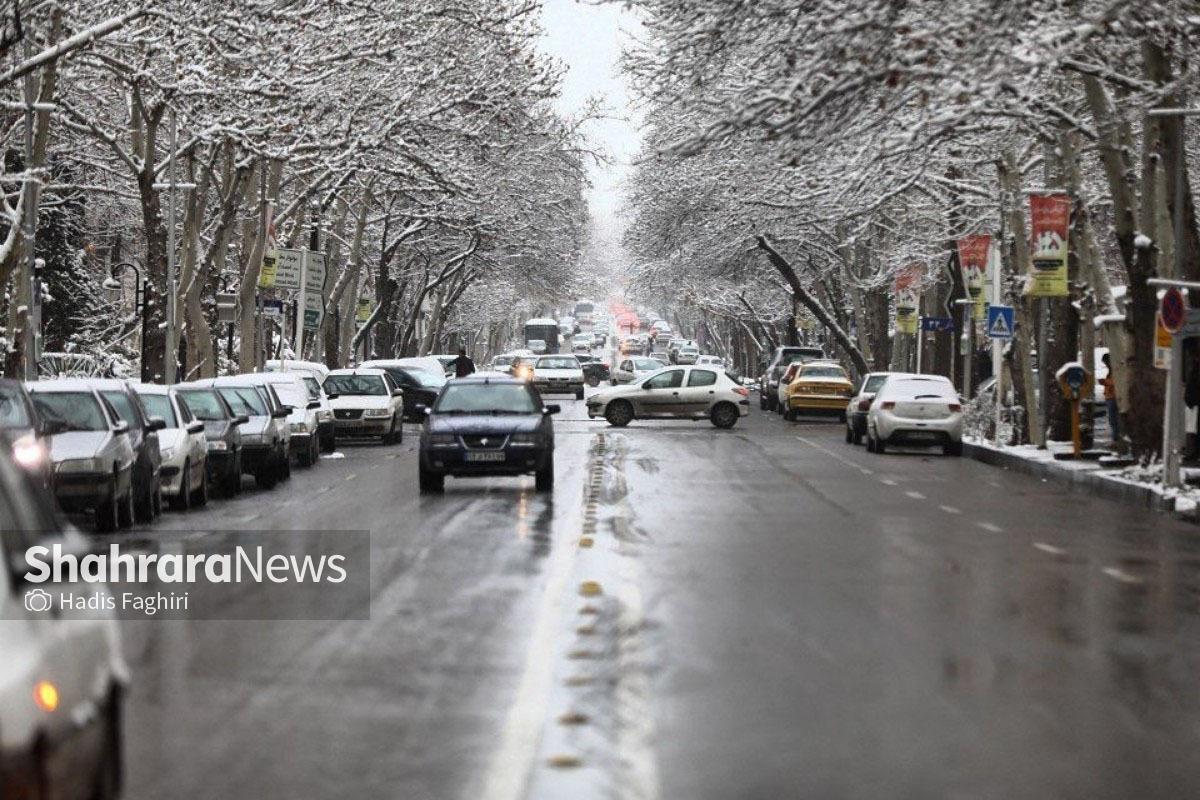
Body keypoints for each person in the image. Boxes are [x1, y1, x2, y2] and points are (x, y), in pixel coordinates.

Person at [1101, 352, 1119, 442]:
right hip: (1110, 396)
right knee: (1112, 419)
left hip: (1113, 397)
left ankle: (1116, 438)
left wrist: (1105, 382)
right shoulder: (1110, 371)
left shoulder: (1115, 371)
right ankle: (1115, 437)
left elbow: (1115, 382)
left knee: (1114, 419)